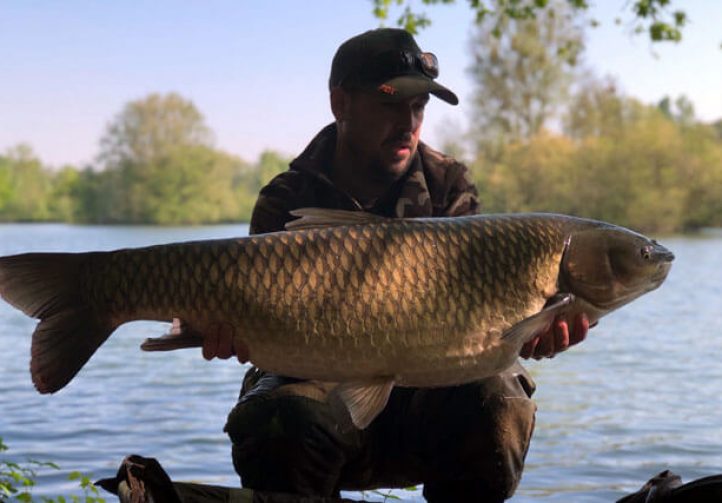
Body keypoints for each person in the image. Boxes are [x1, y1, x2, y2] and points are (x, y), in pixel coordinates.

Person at [204, 28, 590, 502]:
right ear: (340, 104)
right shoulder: (287, 199)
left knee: (499, 400)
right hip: (314, 391)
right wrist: (228, 332)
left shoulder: (447, 184)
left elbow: (481, 326)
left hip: (426, 389)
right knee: (281, 420)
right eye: (390, 105)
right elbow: (257, 329)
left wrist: (527, 332)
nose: (408, 123)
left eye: (419, 108)